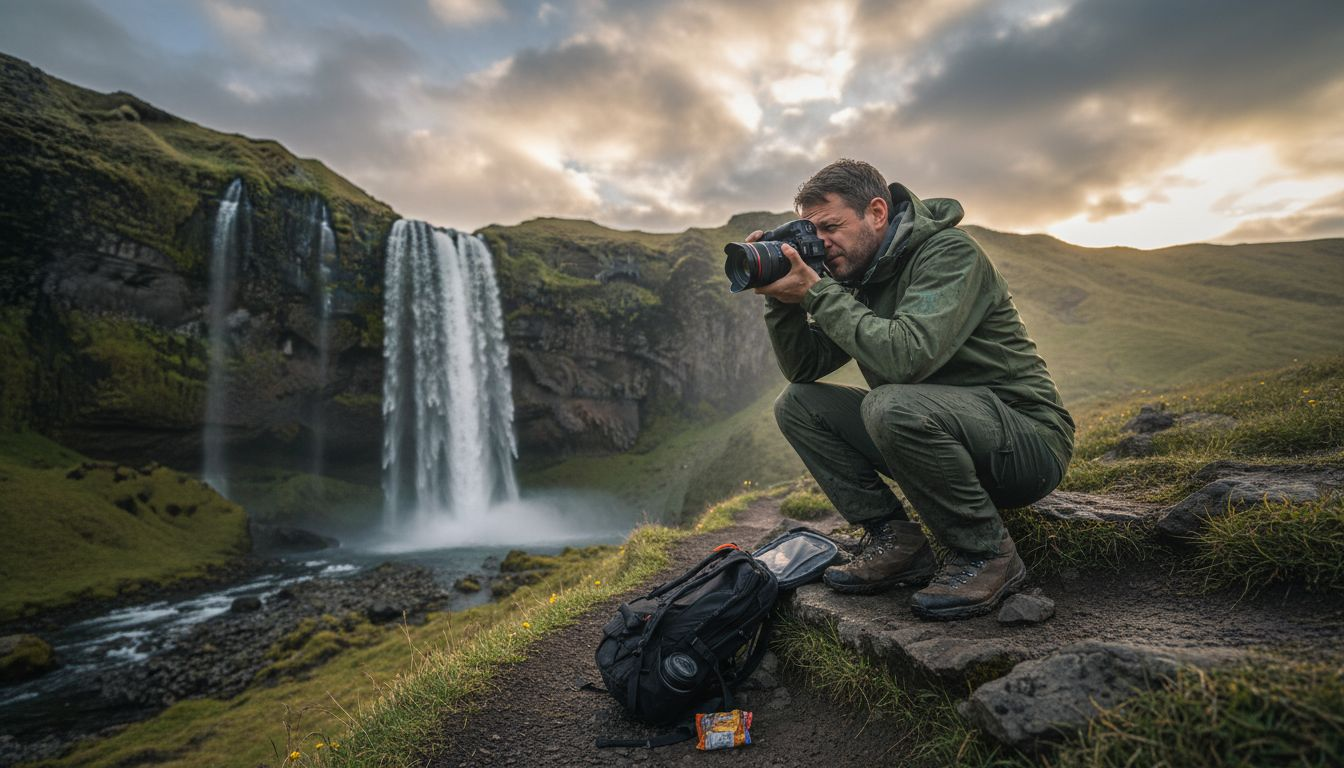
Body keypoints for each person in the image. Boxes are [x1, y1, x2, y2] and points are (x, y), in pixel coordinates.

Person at [749, 159, 1074, 620]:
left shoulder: (949, 253)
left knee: (890, 403)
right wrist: (783, 301)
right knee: (800, 405)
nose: (821, 242)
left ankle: (986, 554)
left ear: (877, 212)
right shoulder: (862, 277)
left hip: (1027, 443)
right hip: (940, 436)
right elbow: (804, 368)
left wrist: (818, 293)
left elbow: (907, 356)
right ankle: (896, 541)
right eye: (811, 231)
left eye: (831, 226)